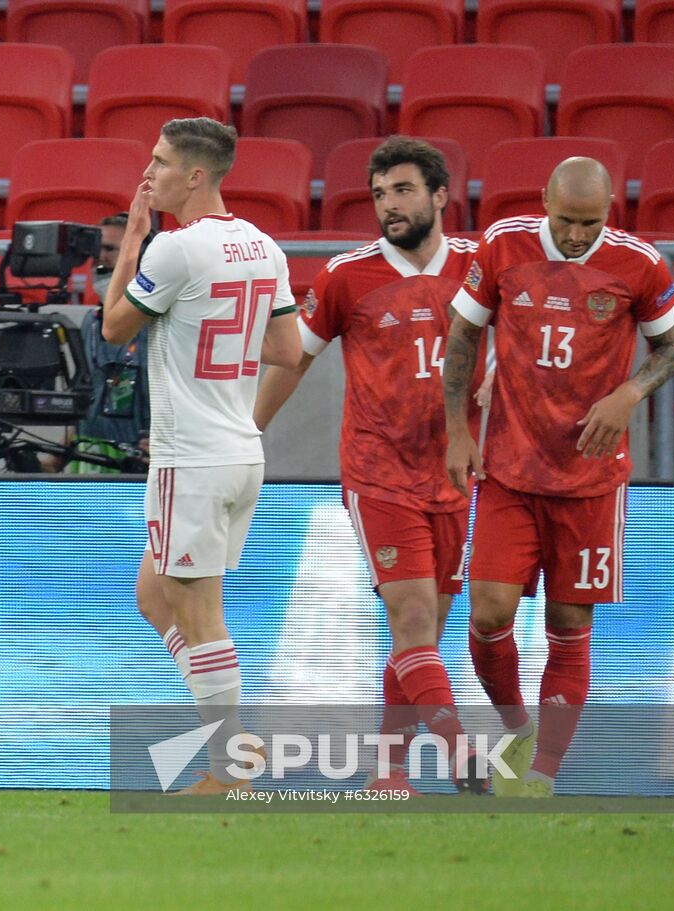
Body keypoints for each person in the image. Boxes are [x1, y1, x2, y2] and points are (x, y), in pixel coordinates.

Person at [252, 136, 488, 795]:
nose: (389, 204)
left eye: (404, 190)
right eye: (380, 193)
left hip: (453, 474)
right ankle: (460, 750)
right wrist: (250, 431)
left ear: (441, 195)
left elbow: (519, 340)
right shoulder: (347, 275)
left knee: (425, 634)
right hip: (377, 472)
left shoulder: (480, 267)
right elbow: (294, 357)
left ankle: (388, 774)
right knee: (411, 619)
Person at [443, 157, 674, 796]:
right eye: (567, 220)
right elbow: (463, 334)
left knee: (570, 624)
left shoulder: (640, 263)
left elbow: (670, 351)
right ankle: (516, 725)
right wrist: (459, 428)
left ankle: (542, 773)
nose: (578, 235)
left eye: (591, 222)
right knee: (487, 616)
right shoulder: (503, 246)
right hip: (510, 470)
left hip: (590, 481)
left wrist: (629, 394)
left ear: (611, 213)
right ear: (544, 199)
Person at [102, 117, 303, 795]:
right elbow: (284, 348)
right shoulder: (262, 246)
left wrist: (133, 237)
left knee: (201, 615)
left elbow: (113, 327)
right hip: (241, 449)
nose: (147, 174)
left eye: (159, 163)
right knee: (152, 594)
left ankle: (231, 770)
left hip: (190, 456)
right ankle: (229, 734)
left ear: (195, 175)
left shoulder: (174, 250)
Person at [67, 213, 151, 473]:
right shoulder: (89, 323)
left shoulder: (157, 324)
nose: (100, 257)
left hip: (139, 461)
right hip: (88, 458)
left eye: (111, 249)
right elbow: (82, 390)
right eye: (97, 249)